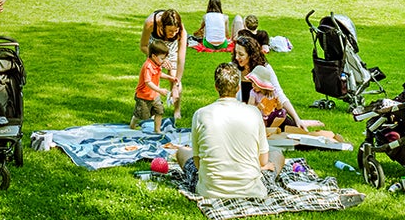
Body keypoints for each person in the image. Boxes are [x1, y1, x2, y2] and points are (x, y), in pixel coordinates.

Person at [175, 62, 283, 199]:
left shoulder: (201, 114)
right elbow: (263, 161)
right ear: (238, 88)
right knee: (277, 154)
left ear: (216, 87)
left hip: (210, 191)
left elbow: (197, 163)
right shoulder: (254, 113)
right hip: (251, 190)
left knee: (182, 152)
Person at [232, 36, 306, 131]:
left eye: (241, 54)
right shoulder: (233, 69)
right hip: (244, 117)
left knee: (293, 131)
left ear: (251, 55)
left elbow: (279, 94)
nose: (236, 57)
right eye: (235, 53)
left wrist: (297, 118)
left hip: (268, 115)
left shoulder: (265, 69)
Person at [141, 9, 187, 120]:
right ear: (162, 26)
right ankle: (151, 109)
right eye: (171, 31)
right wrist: (157, 58)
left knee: (174, 78)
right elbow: (143, 46)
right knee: (152, 79)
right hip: (155, 48)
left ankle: (177, 110)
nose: (174, 34)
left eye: (176, 30)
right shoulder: (151, 23)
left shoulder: (181, 31)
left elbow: (181, 60)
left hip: (171, 48)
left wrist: (176, 85)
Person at [131, 39, 177, 131]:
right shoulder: (148, 66)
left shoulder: (157, 64)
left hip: (154, 95)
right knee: (141, 115)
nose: (164, 61)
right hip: (144, 96)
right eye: (162, 58)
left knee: (159, 111)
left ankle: (157, 130)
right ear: (154, 56)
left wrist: (169, 77)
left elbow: (157, 74)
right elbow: (148, 82)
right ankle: (133, 124)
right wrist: (159, 90)